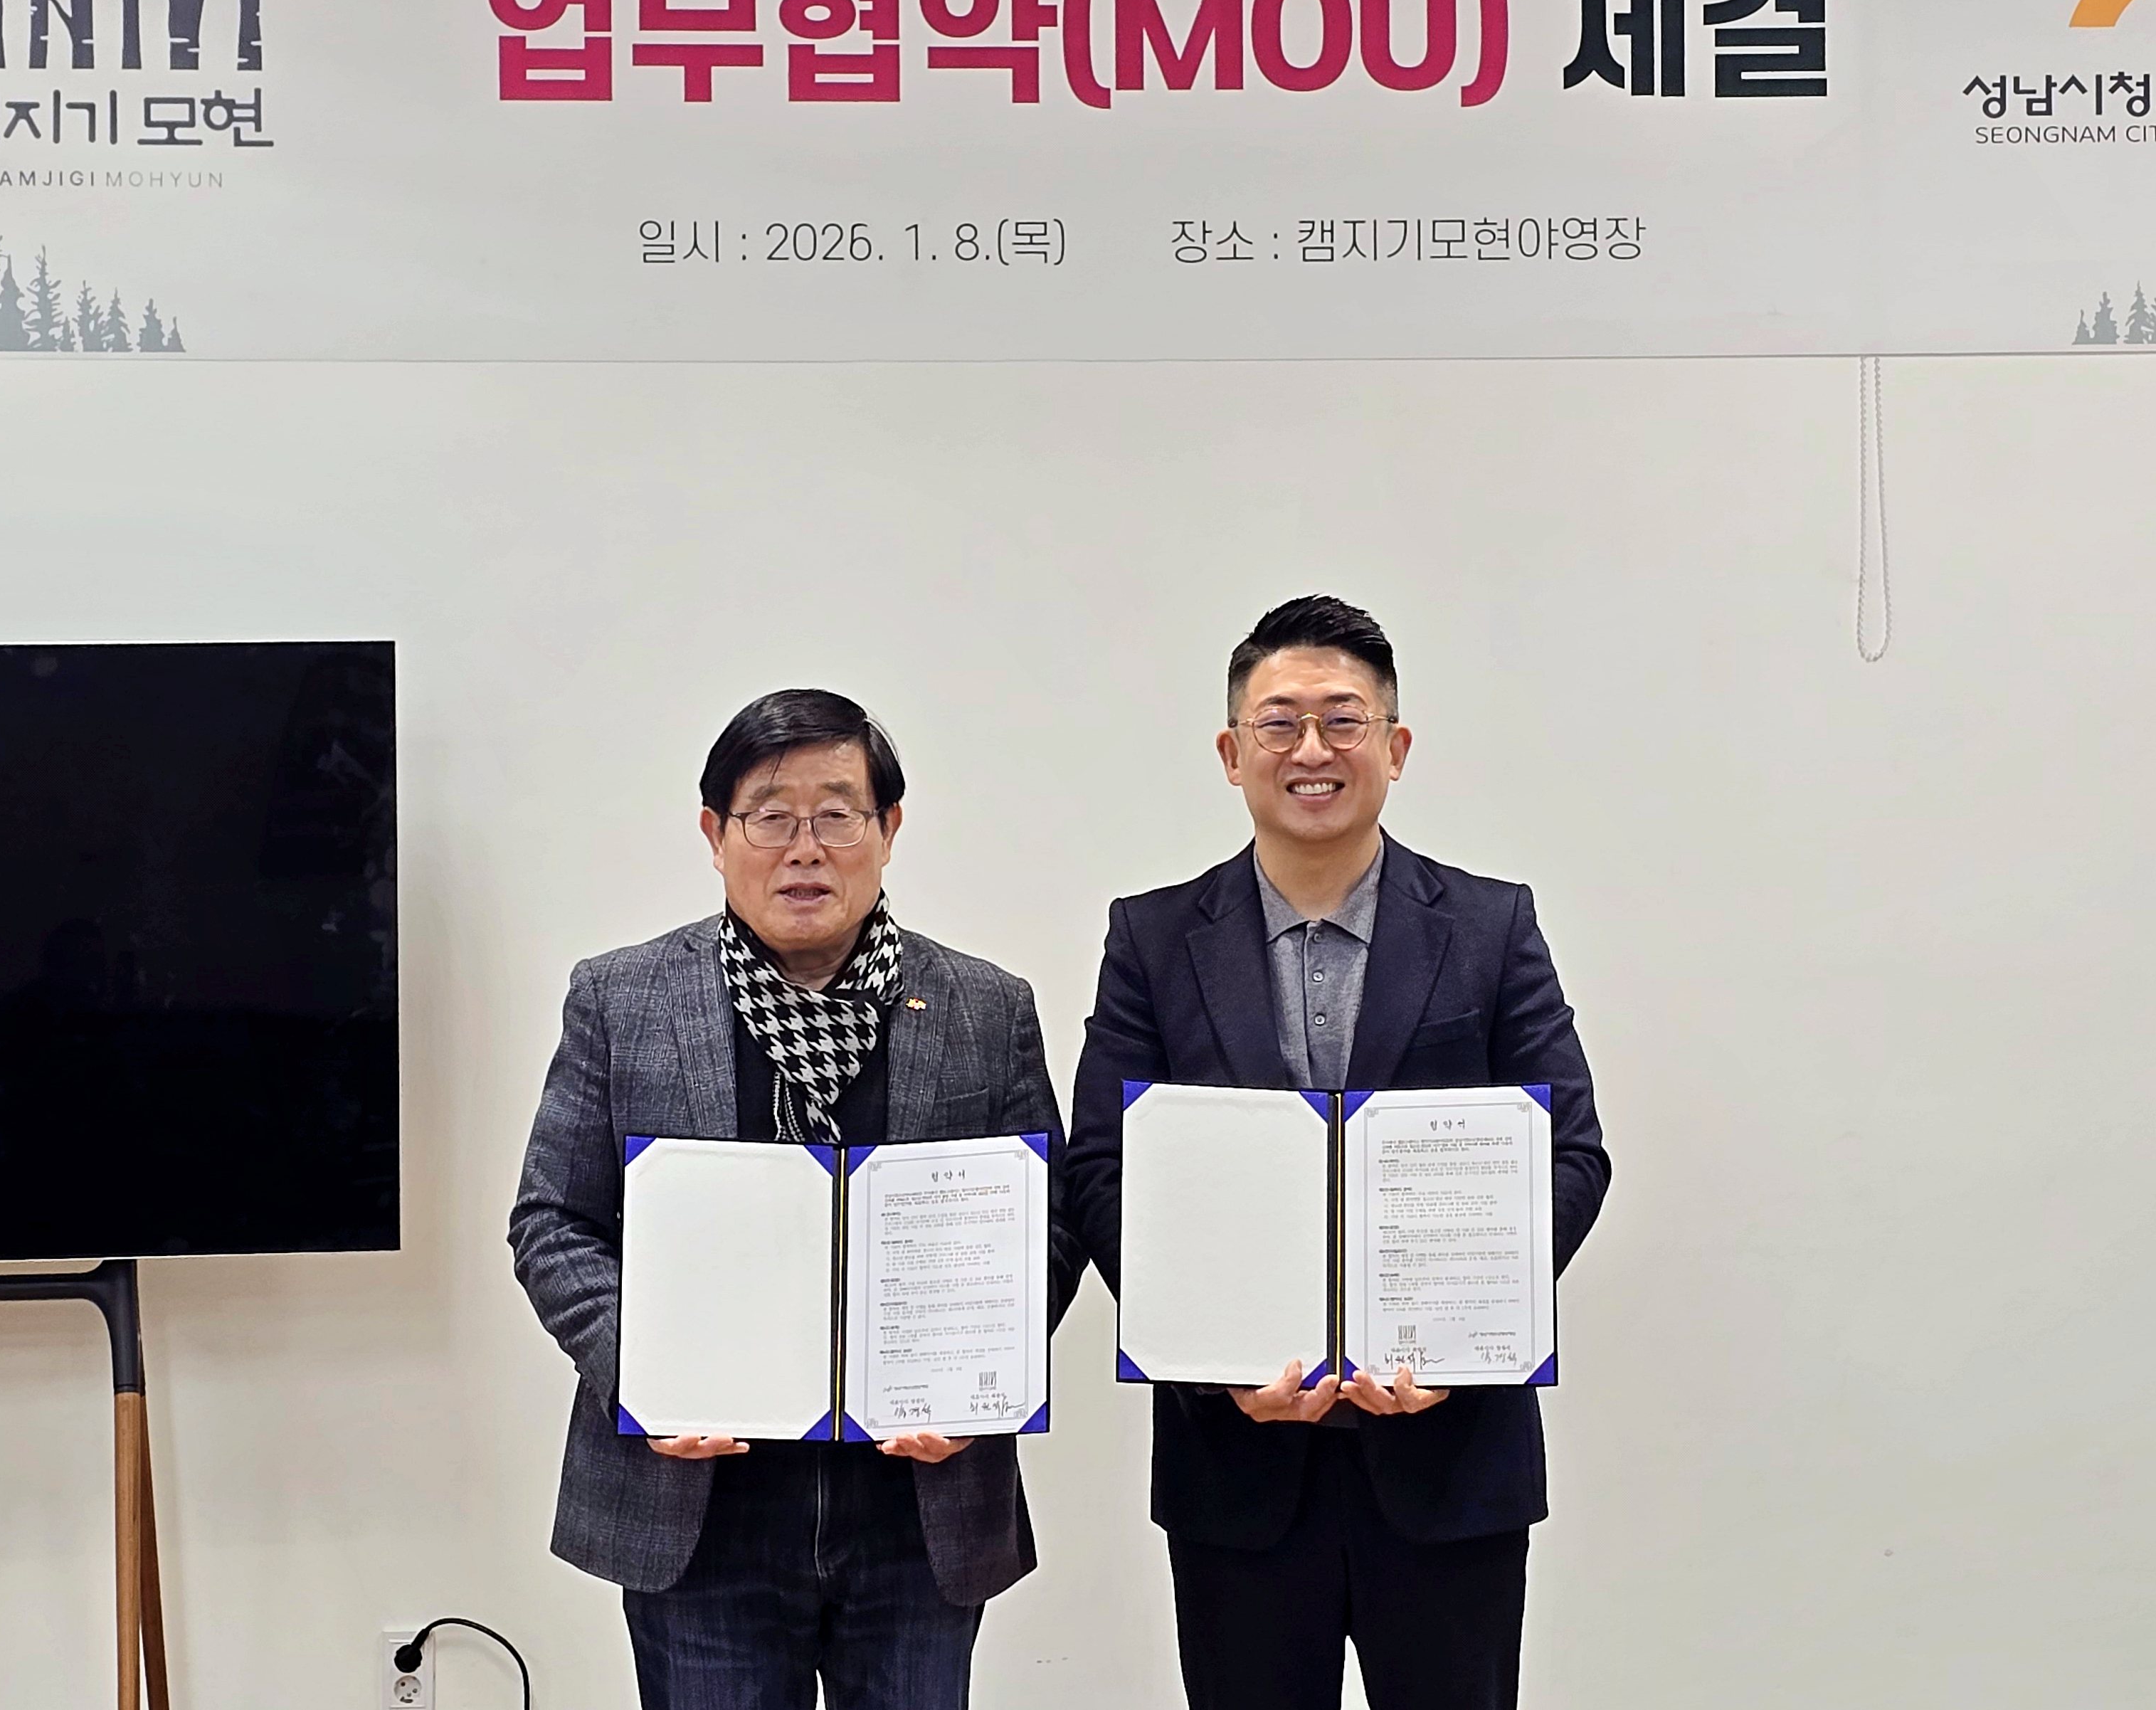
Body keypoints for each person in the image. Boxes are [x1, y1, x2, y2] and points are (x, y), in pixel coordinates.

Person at [1064, 596, 1613, 1710]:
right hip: (1236, 1464)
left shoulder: (1491, 926)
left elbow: (1570, 1153)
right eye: (1278, 722)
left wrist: (1466, 1332)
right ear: (1231, 753)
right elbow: (1101, 1170)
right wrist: (1207, 1354)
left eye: (1342, 719)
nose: (1309, 748)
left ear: (1393, 747)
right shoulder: (1153, 939)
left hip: (1452, 1456)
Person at [511, 688, 1079, 1710]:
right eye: (770, 816)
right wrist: (643, 1372)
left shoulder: (986, 1008)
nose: (804, 848)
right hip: (702, 1514)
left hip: (915, 1508)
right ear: (715, 836)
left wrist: (979, 1381)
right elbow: (553, 1221)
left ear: (888, 830)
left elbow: (1049, 1223)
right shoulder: (623, 998)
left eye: (836, 814)